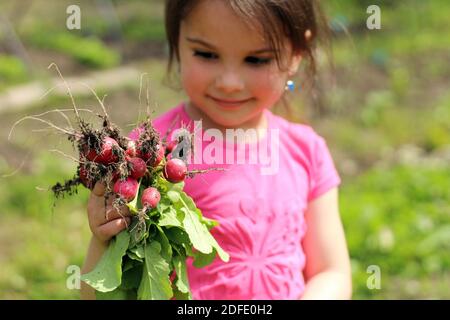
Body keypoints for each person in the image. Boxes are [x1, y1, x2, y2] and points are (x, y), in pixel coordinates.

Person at [81, 0, 352, 300]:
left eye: (257, 60)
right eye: (207, 54)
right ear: (176, 42)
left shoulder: (306, 152)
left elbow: (332, 272)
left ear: (297, 53)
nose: (230, 83)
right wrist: (104, 237)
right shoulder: (151, 155)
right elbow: (102, 292)